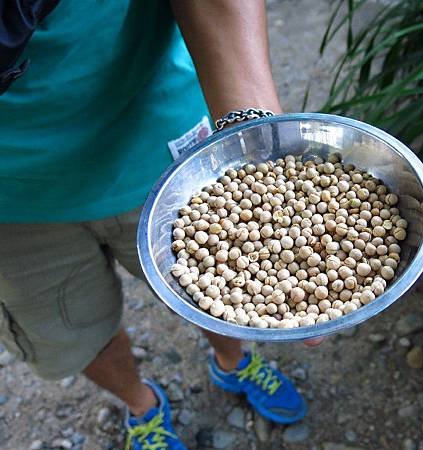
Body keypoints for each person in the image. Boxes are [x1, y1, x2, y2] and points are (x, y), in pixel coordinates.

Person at [0, 1, 321, 448]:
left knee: (213, 292)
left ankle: (233, 363)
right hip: (11, 203)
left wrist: (260, 150)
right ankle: (141, 406)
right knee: (69, 332)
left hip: (158, 142)